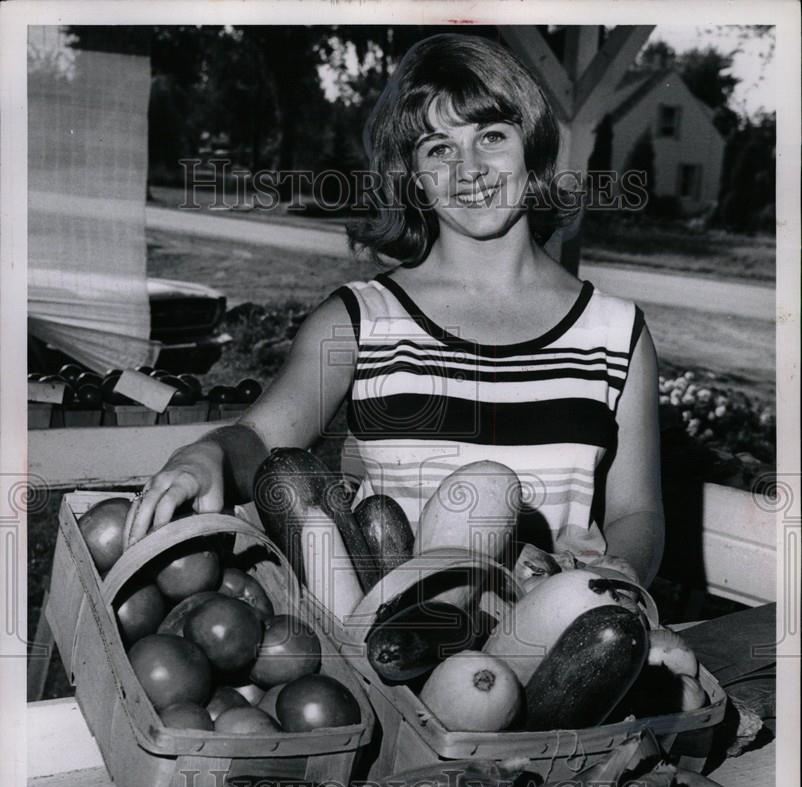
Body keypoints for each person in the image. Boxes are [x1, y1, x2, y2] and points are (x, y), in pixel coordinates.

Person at [126, 33, 663, 586]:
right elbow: (260, 440)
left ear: (533, 147)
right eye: (439, 148)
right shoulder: (358, 321)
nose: (470, 167)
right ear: (412, 176)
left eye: (492, 136)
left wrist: (614, 579)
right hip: (399, 646)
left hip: (554, 639)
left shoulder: (617, 333)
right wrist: (206, 454)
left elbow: (636, 513)